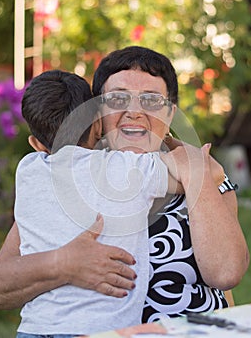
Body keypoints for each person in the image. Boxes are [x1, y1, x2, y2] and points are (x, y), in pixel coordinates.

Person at [0, 47, 249, 326]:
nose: (134, 112)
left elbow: (225, 275)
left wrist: (195, 170)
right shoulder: (64, 183)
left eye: (151, 100)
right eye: (117, 99)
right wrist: (62, 264)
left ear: (170, 114)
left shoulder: (206, 178)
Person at [13, 68, 190, 337]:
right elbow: (191, 175)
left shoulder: (27, 170)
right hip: (103, 329)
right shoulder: (131, 168)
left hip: (35, 327)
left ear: (35, 143)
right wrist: (169, 141)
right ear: (97, 123)